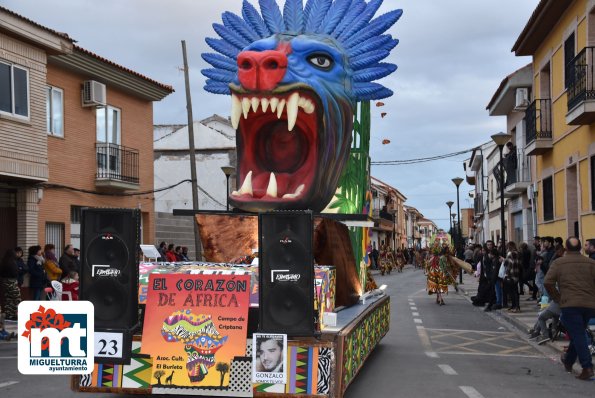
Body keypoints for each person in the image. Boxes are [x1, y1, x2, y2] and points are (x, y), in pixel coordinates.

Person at [544, 237, 595, 380]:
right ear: (580, 248)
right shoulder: (591, 263)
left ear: (566, 248)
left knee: (578, 334)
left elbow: (548, 282)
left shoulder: (559, 263)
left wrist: (557, 298)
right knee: (577, 332)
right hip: (590, 306)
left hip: (569, 304)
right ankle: (568, 361)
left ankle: (587, 367)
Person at [0, 249, 22, 320]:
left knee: (8, 299)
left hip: (4, 281)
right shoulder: (12, 263)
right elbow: (15, 272)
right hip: (12, 281)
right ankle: (16, 314)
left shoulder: (3, 262)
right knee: (16, 298)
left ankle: (9, 315)